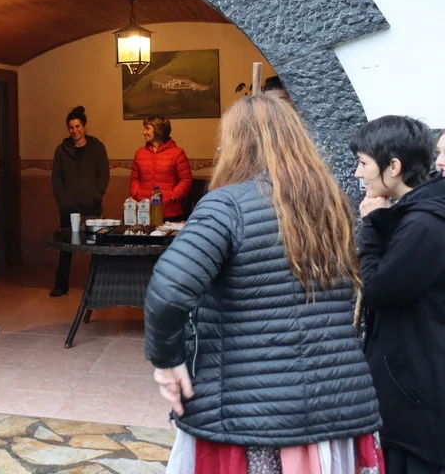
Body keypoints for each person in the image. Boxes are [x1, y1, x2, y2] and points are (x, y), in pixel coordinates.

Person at [145, 95, 382, 468]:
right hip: (336, 408)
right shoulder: (331, 202)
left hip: (253, 418)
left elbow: (168, 290)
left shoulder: (226, 206)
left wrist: (167, 361)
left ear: (234, 145)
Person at [351, 116, 445, 474]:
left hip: (416, 396)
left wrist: (372, 226)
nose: (358, 173)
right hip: (413, 389)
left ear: (393, 167)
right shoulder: (416, 214)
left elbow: (379, 291)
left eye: (363, 163)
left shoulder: (425, 224)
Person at [50, 106, 109, 297]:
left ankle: (98, 285)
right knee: (66, 247)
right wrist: (62, 198)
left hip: (92, 206)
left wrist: (96, 194)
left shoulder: (97, 147)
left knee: (96, 246)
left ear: (84, 126)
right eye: (71, 127)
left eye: (77, 126)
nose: (74, 131)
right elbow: (56, 177)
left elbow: (104, 173)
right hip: (68, 207)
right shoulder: (61, 150)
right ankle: (61, 285)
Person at [130, 115, 192, 221]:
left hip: (170, 212)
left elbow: (186, 180)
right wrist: (136, 194)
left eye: (147, 128)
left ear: (159, 130)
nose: (144, 132)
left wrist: (172, 197)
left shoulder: (177, 153)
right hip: (144, 211)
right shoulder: (140, 153)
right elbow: (134, 179)